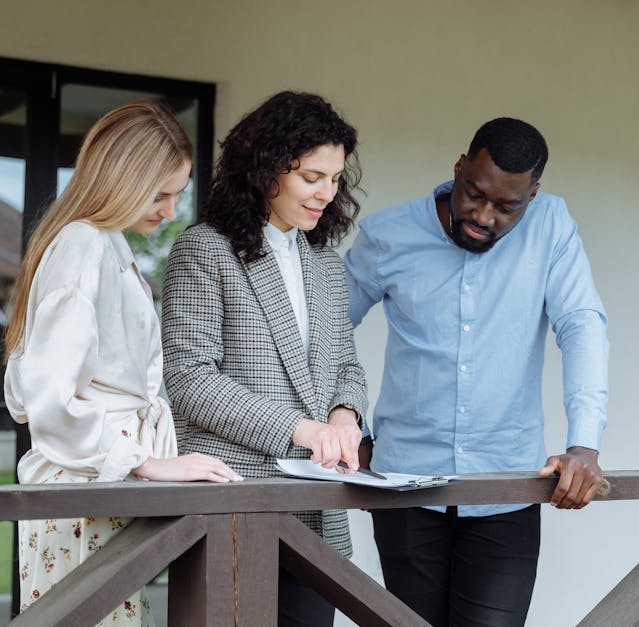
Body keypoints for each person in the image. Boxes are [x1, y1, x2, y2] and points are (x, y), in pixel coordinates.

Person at [345, 117, 609, 626]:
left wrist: (584, 443)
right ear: (460, 168)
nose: (483, 216)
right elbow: (327, 333)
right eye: (474, 193)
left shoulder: (552, 226)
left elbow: (582, 326)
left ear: (532, 197)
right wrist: (344, 422)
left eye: (506, 206)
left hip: (505, 490)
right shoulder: (387, 235)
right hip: (404, 485)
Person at [3, 102, 241, 623]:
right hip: (80, 495)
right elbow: (46, 398)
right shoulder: (83, 246)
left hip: (93, 490)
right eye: (160, 194)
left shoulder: (99, 245)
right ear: (121, 180)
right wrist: (144, 460)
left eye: (178, 193)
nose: (172, 210)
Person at [161, 90, 368, 627]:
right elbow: (188, 379)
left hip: (317, 515)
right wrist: (303, 430)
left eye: (336, 178)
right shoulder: (204, 249)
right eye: (311, 177)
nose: (327, 192)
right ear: (266, 169)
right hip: (232, 503)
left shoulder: (324, 263)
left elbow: (345, 365)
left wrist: (345, 416)